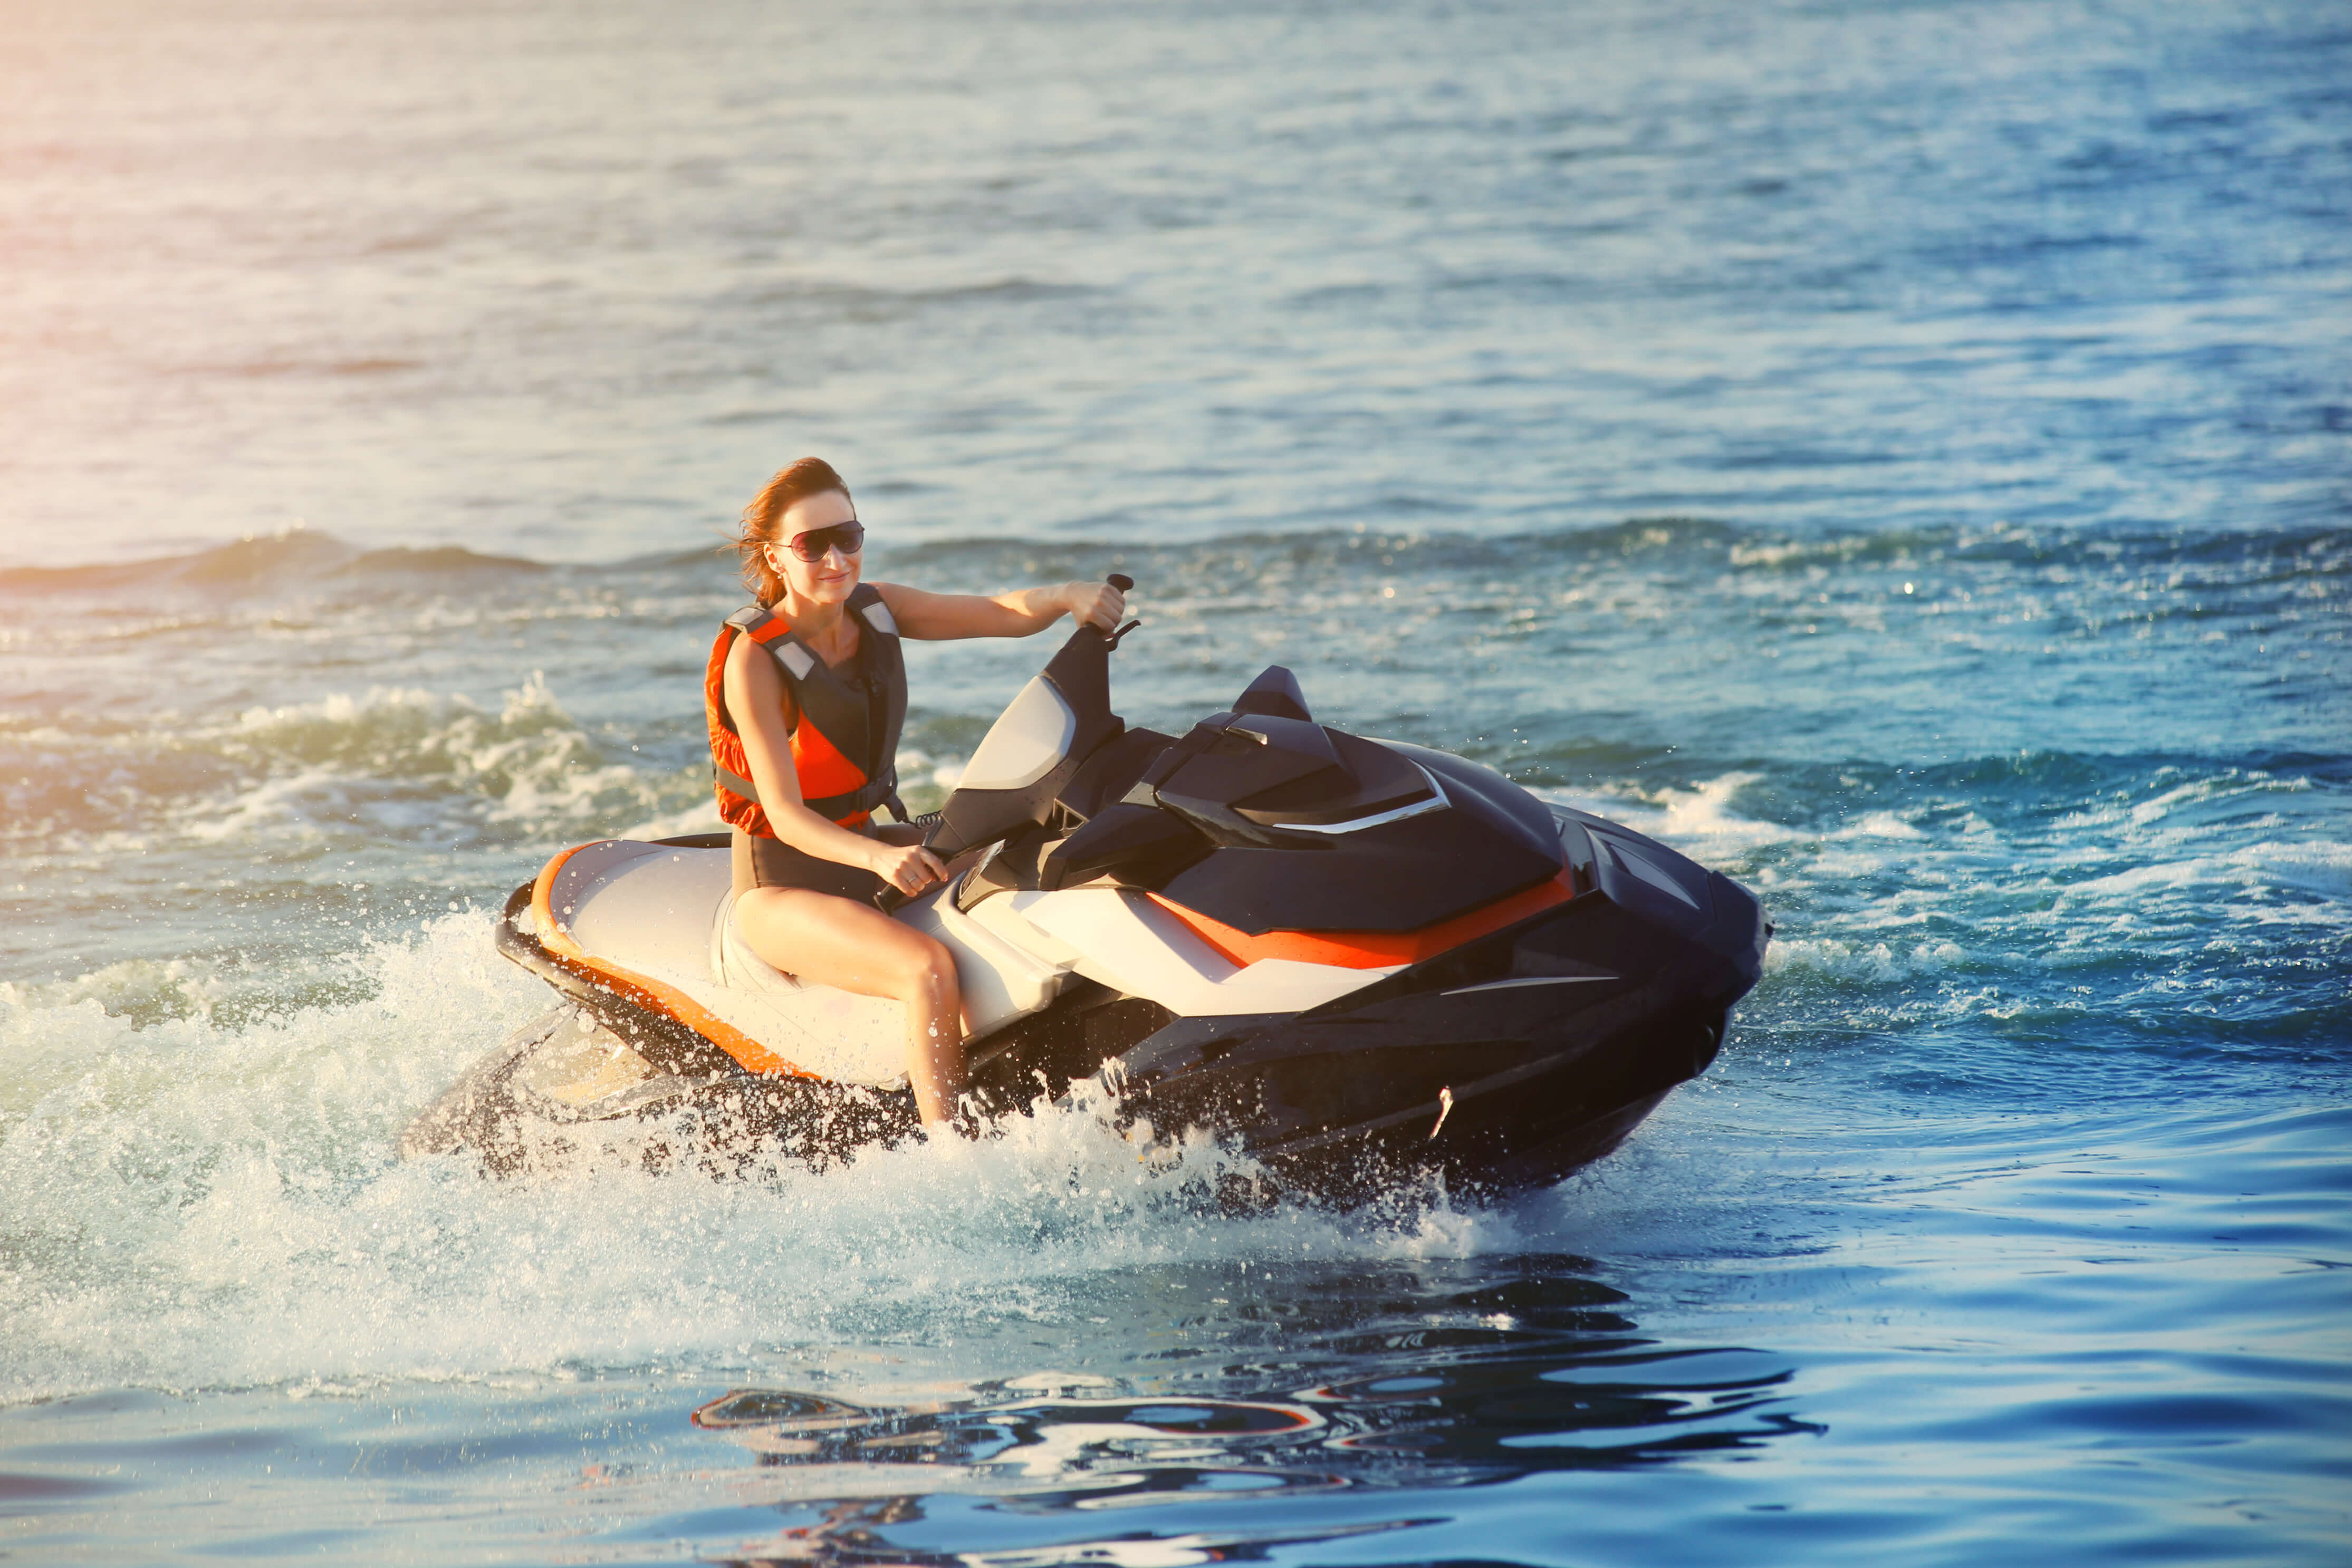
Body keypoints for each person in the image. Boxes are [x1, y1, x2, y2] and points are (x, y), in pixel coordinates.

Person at [705, 457, 1125, 1128]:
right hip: (783, 886)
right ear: (776, 558)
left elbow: (993, 614)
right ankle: (949, 1155)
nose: (837, 557)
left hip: (867, 843)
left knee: (1034, 843)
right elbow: (783, 816)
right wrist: (877, 860)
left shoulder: (878, 609)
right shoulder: (756, 659)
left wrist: (1065, 596)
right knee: (925, 968)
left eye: (850, 535)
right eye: (813, 544)